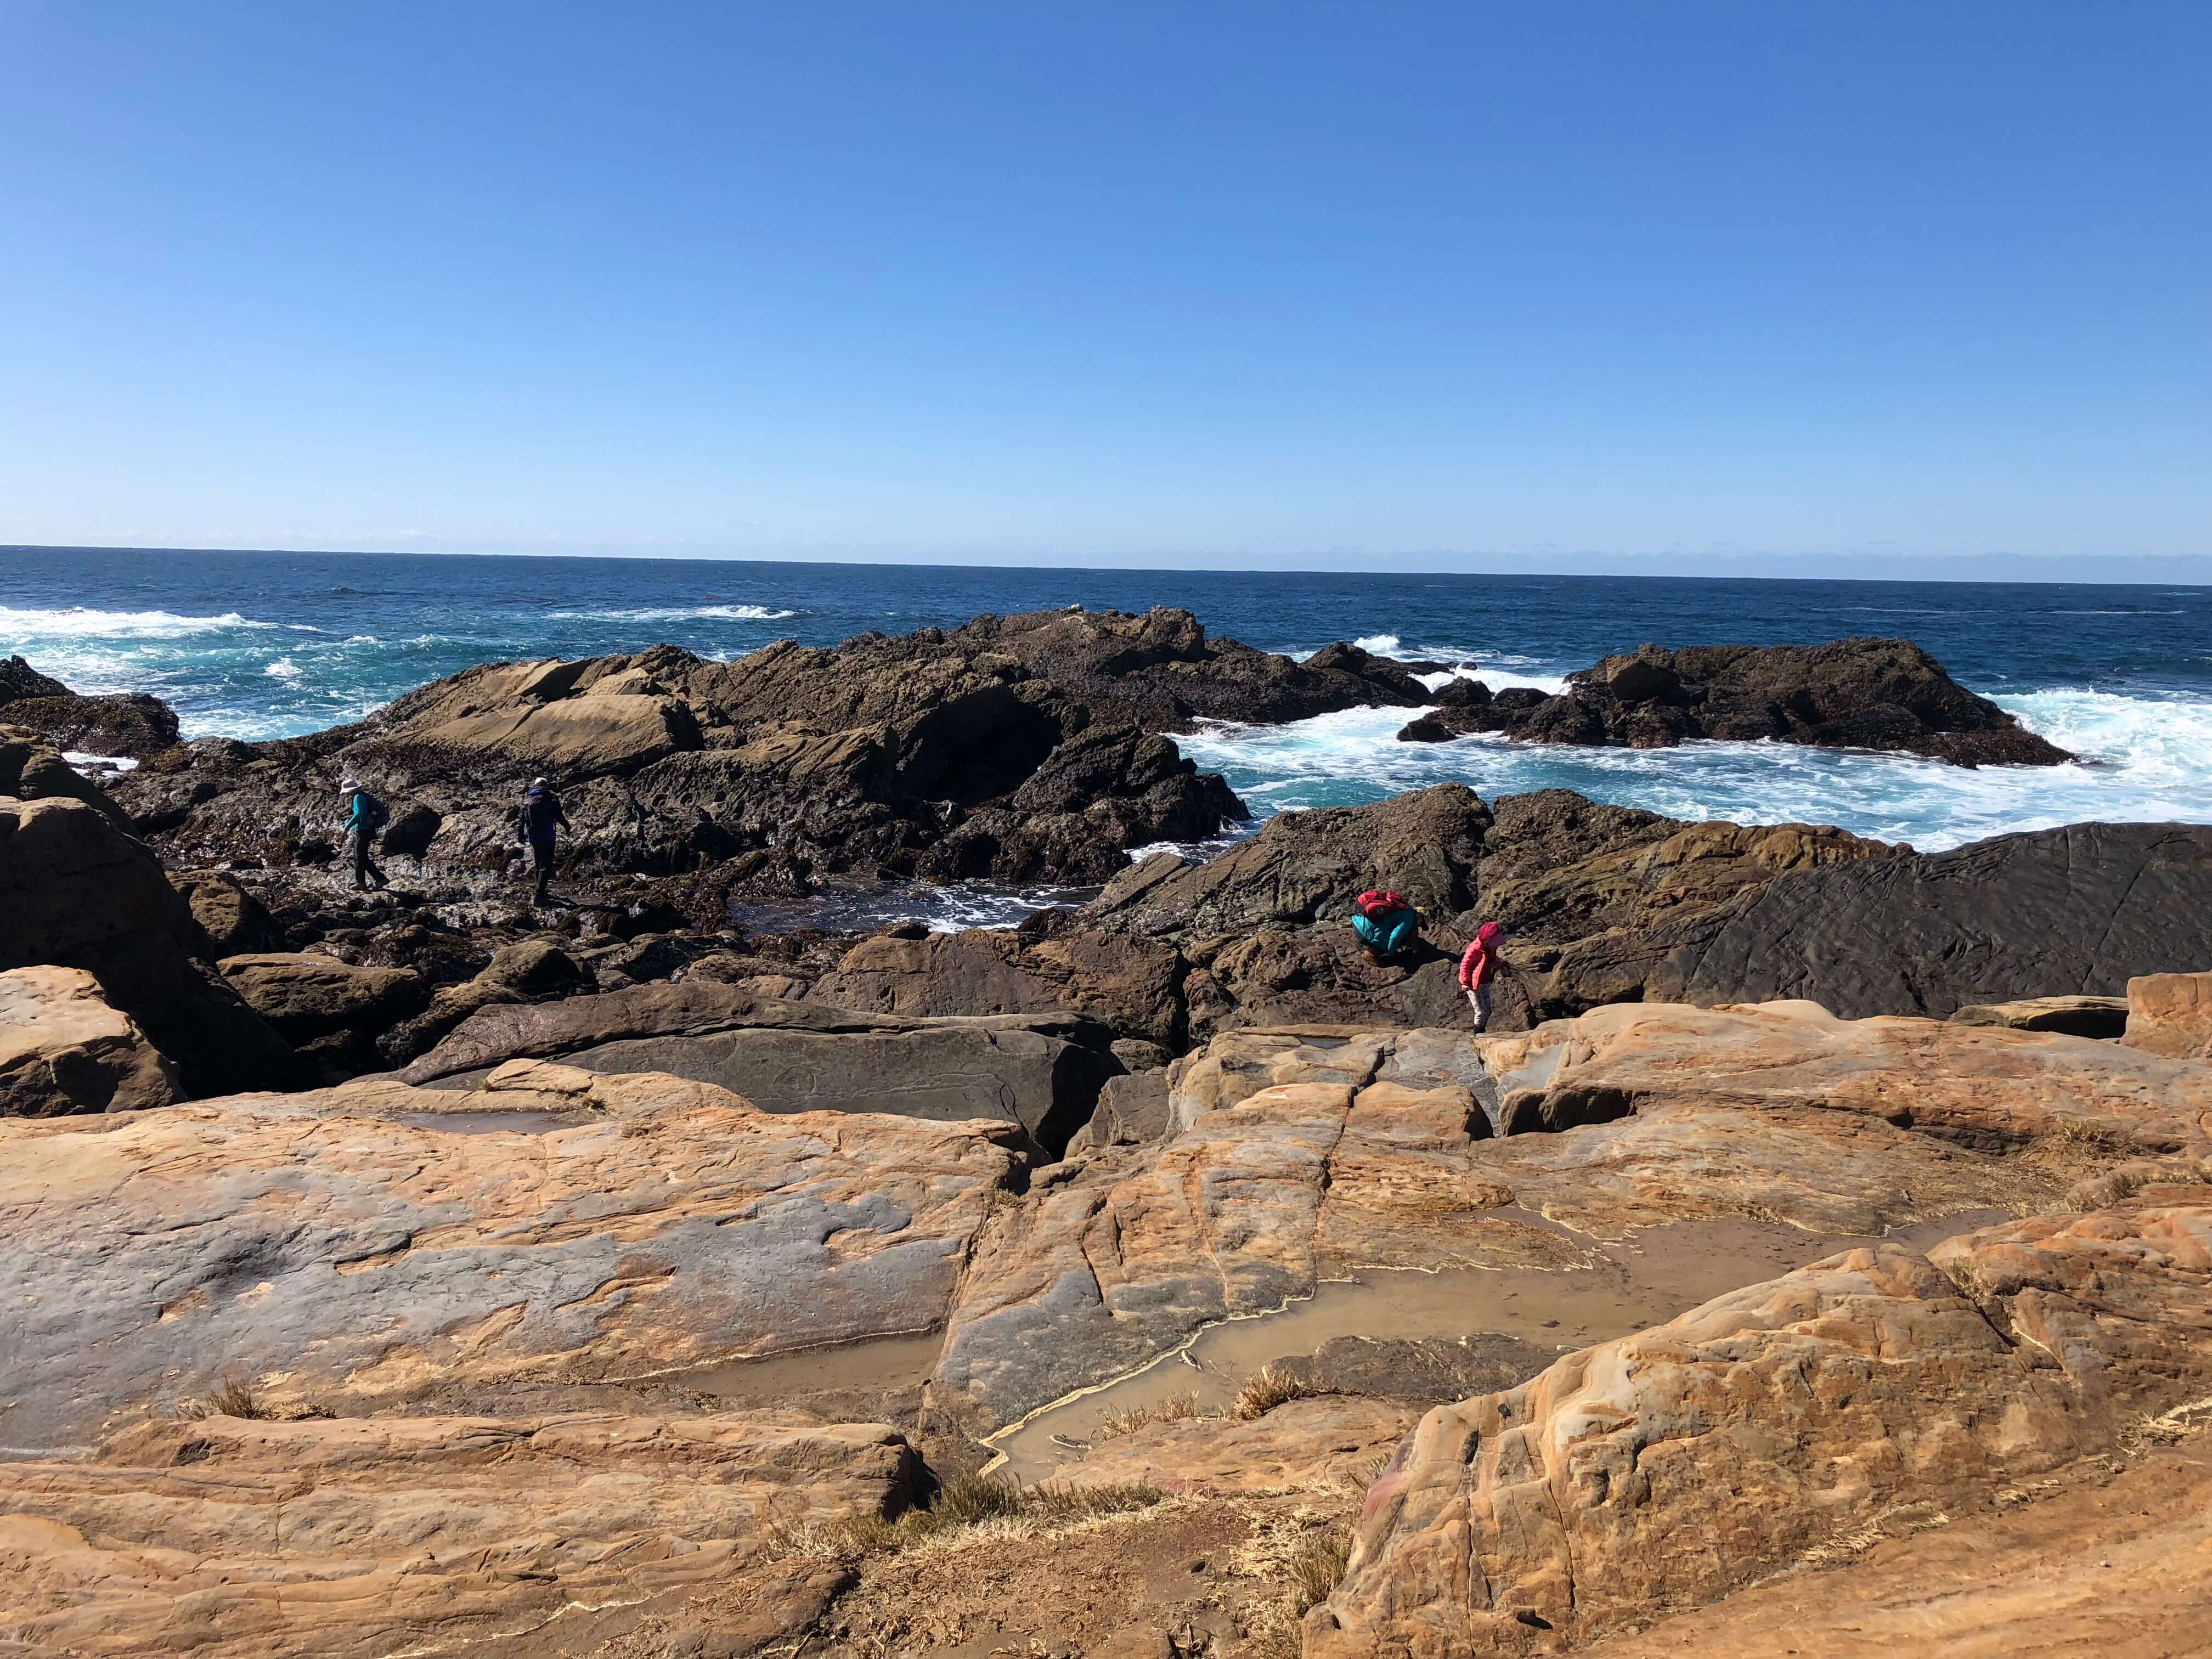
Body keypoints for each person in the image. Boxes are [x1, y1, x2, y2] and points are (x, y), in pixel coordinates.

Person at [515, 776, 570, 905]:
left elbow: (521, 819)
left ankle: (540, 891)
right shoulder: (550, 797)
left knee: (538, 864)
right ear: (545, 785)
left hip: (533, 837)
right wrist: (567, 826)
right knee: (546, 866)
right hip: (548, 836)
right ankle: (539, 895)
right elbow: (559, 815)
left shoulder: (527, 799)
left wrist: (520, 835)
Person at [340, 778, 389, 891]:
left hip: (363, 830)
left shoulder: (358, 798)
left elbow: (358, 815)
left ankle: (380, 879)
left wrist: (346, 828)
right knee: (358, 856)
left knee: (361, 856)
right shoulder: (363, 796)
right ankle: (360, 882)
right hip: (367, 829)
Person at [1458, 921, 1507, 1030]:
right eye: (1494, 943)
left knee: (1488, 1010)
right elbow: (1465, 964)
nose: (1496, 946)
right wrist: (1465, 982)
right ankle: (1477, 1032)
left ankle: (1482, 1030)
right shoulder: (1475, 949)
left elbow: (1492, 960)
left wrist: (1500, 966)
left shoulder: (1490, 948)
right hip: (1473, 984)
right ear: (1487, 940)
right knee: (1481, 1012)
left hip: (1484, 982)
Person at [1351, 887, 1421, 963]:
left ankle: (1366, 947)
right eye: (1422, 922)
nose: (1420, 925)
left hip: (1358, 923)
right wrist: (1391, 953)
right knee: (1389, 948)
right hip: (1366, 934)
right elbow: (1395, 936)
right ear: (1419, 915)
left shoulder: (1403, 908)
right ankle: (1371, 953)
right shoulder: (1409, 917)